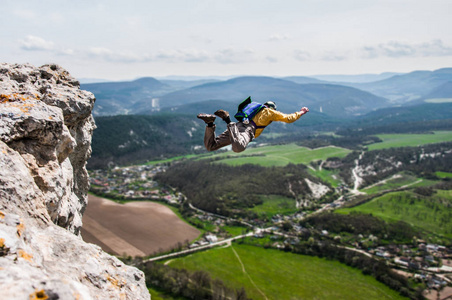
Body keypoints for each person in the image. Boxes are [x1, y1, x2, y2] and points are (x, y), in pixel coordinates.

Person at [197, 100, 309, 153]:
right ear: (272, 107)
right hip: (247, 130)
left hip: (238, 126)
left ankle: (210, 124)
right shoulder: (269, 112)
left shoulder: (254, 109)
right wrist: (301, 112)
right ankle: (227, 120)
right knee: (238, 148)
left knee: (211, 146)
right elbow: (289, 119)